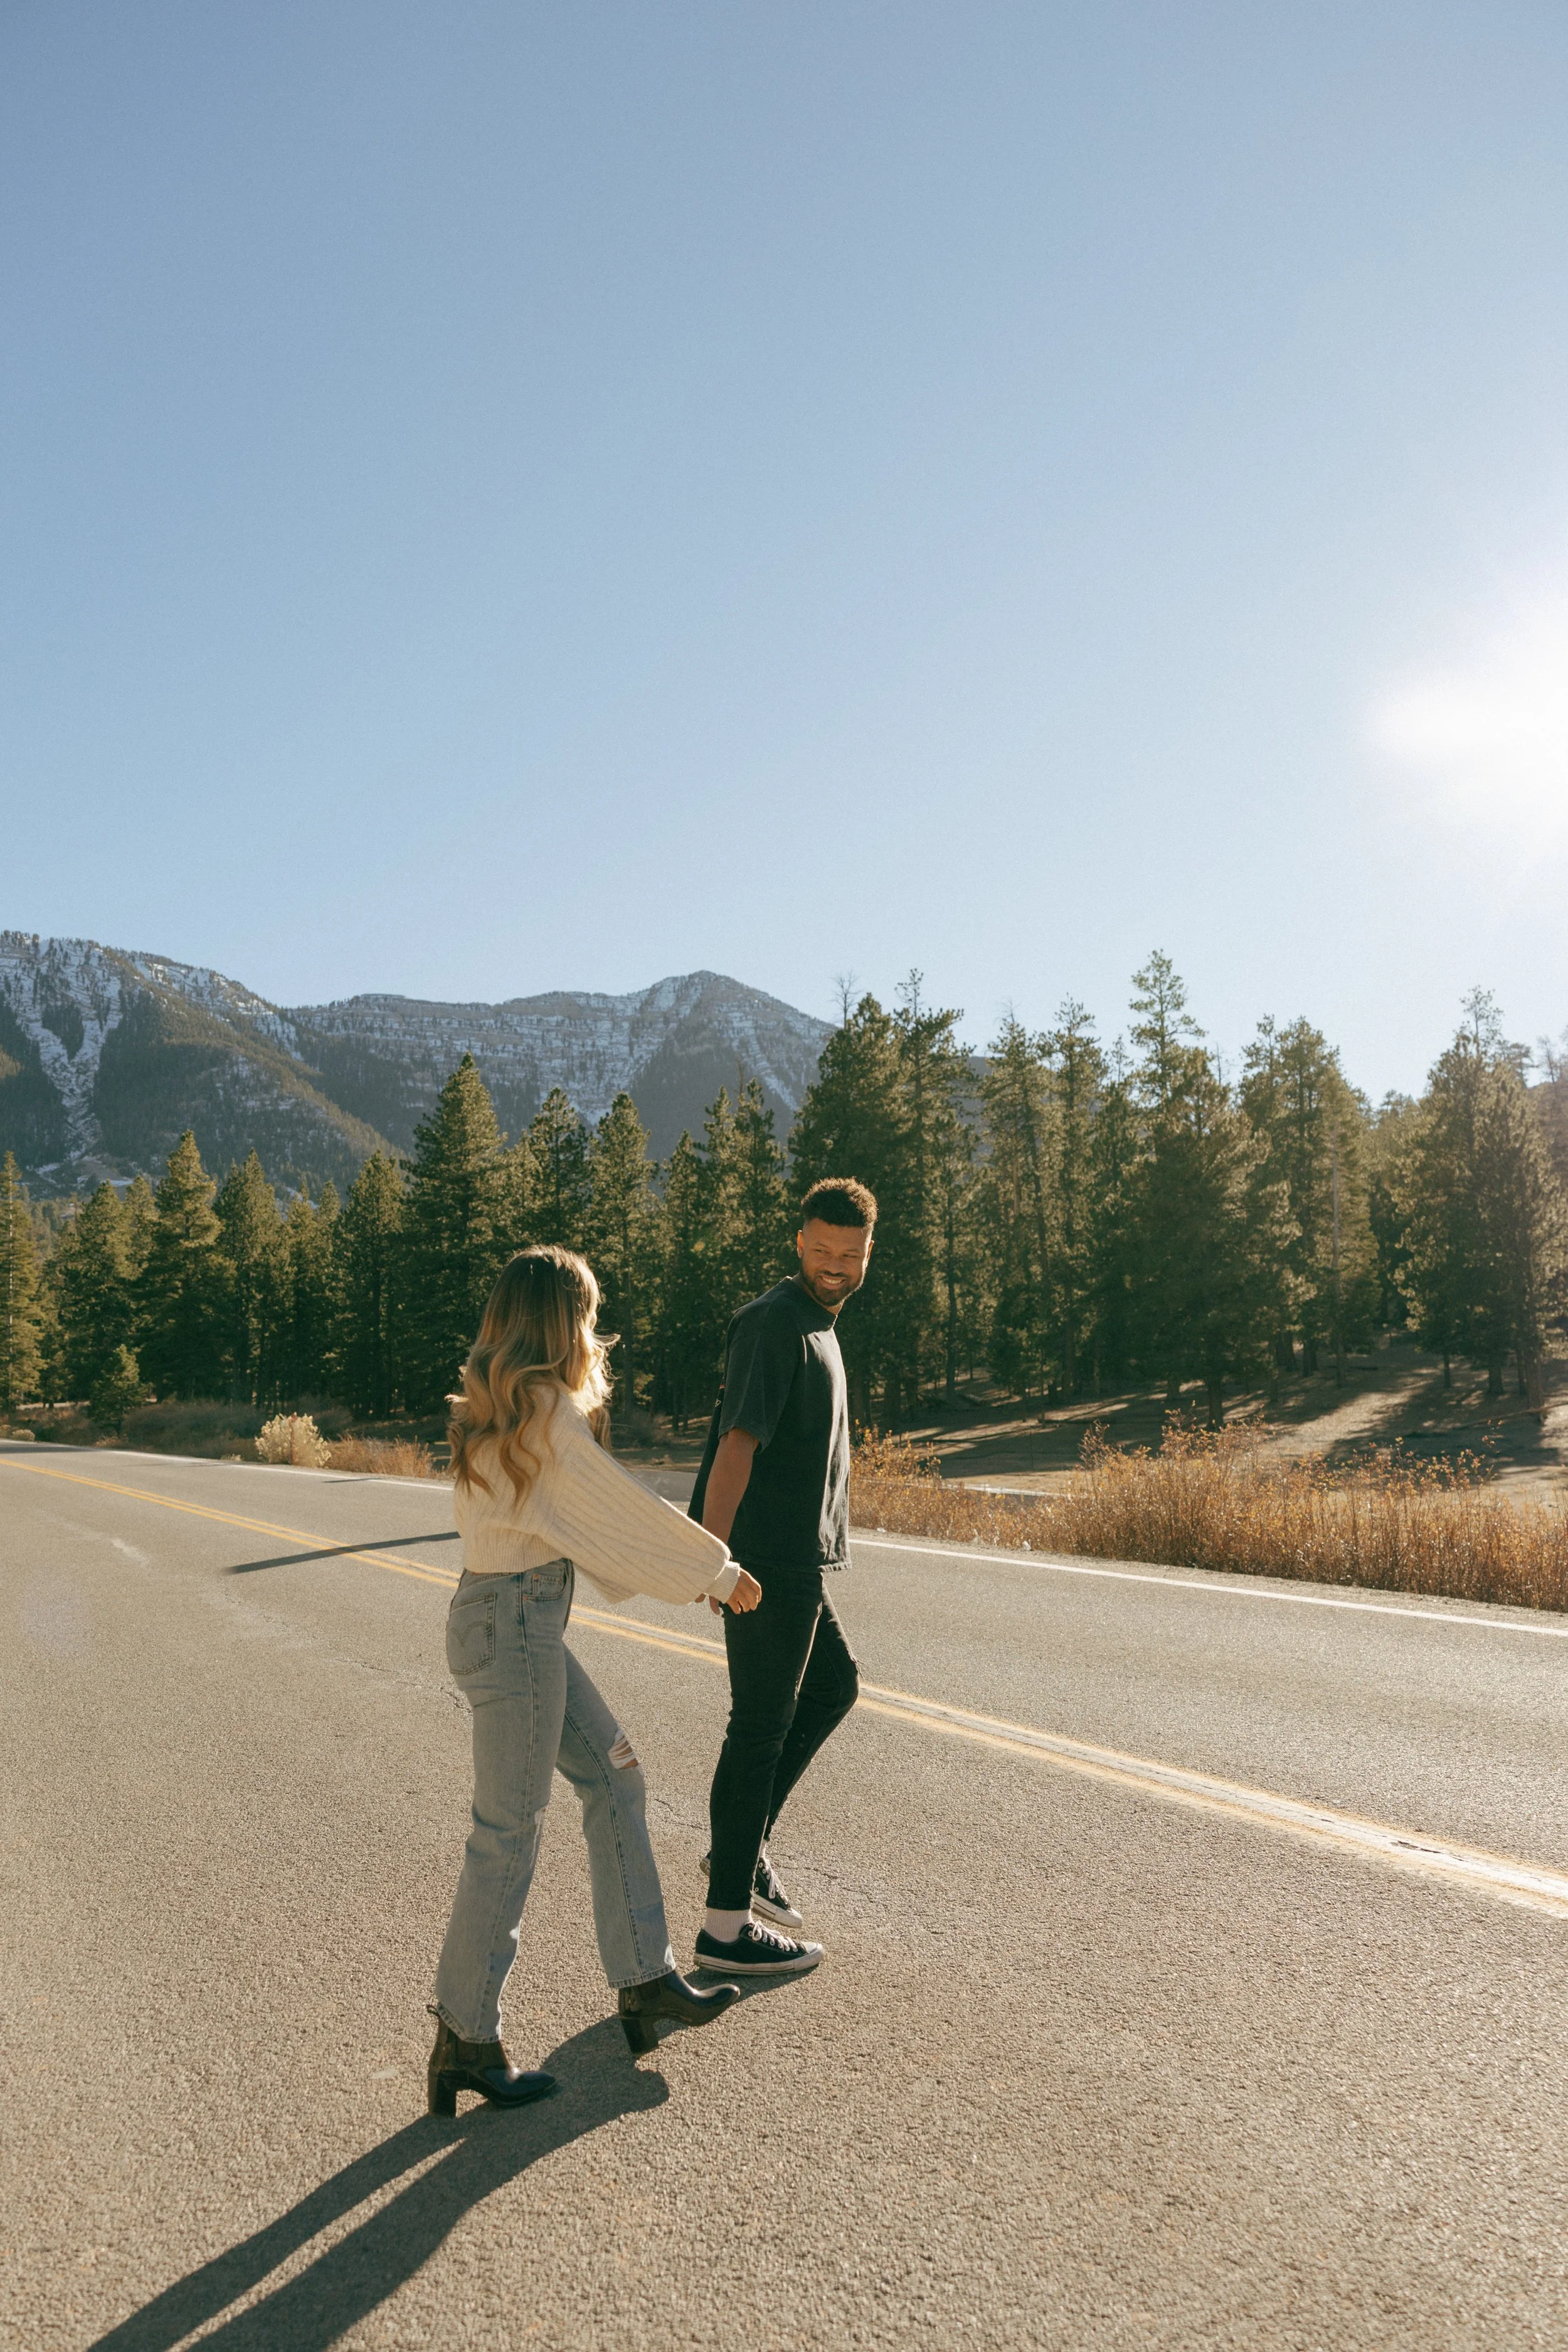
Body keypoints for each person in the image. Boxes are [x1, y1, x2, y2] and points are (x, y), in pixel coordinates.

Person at [428, 1244, 763, 2117]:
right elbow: (621, 1512)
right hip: (518, 1629)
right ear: (561, 1321)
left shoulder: (505, 1406)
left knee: (617, 1779)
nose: (593, 1332)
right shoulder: (543, 1411)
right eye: (587, 1313)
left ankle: (645, 1979)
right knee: (507, 1831)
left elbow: (587, 1517)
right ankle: (466, 2032)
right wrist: (719, 1573)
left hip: (506, 1621)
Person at [687, 1177, 876, 1976]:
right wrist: (713, 1556)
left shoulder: (818, 1323)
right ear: (799, 1243)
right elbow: (737, 1443)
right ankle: (725, 1928)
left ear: (868, 1253)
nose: (836, 1266)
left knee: (833, 1688)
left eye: (851, 1254)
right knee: (759, 1728)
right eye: (822, 1250)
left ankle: (743, 1847)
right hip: (763, 1563)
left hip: (797, 1560)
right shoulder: (774, 1323)